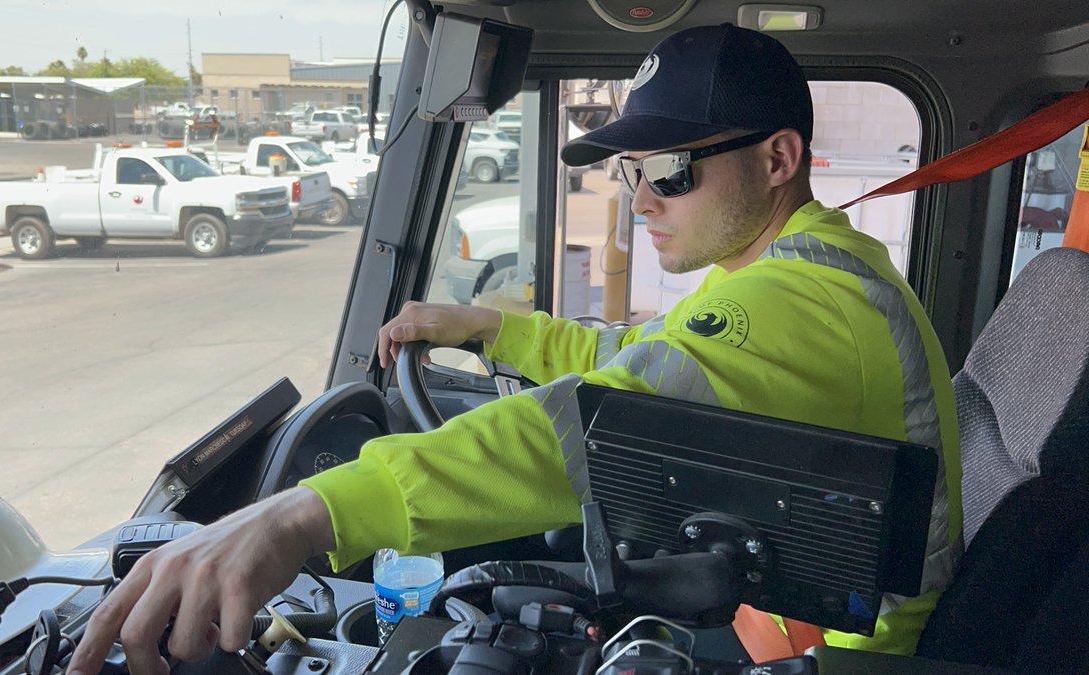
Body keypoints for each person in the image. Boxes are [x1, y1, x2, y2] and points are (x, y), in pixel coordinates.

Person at [68, 24, 962, 675]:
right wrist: (493, 327)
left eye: (669, 171)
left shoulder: (808, 303)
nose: (640, 198)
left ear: (778, 159)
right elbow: (642, 354)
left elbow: (587, 425)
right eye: (629, 172)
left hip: (832, 654)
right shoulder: (778, 272)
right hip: (779, 613)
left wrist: (305, 514)